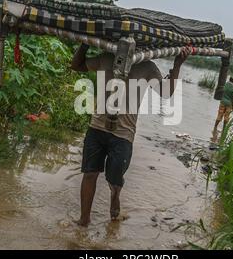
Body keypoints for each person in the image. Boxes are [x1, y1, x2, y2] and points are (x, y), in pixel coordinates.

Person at [71, 43, 191, 227]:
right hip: (97, 127)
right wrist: (85, 43)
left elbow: (166, 93)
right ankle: (84, 219)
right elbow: (77, 66)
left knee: (115, 181)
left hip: (123, 134)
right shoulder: (107, 57)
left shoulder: (147, 66)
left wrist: (178, 65)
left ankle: (114, 196)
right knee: (89, 174)